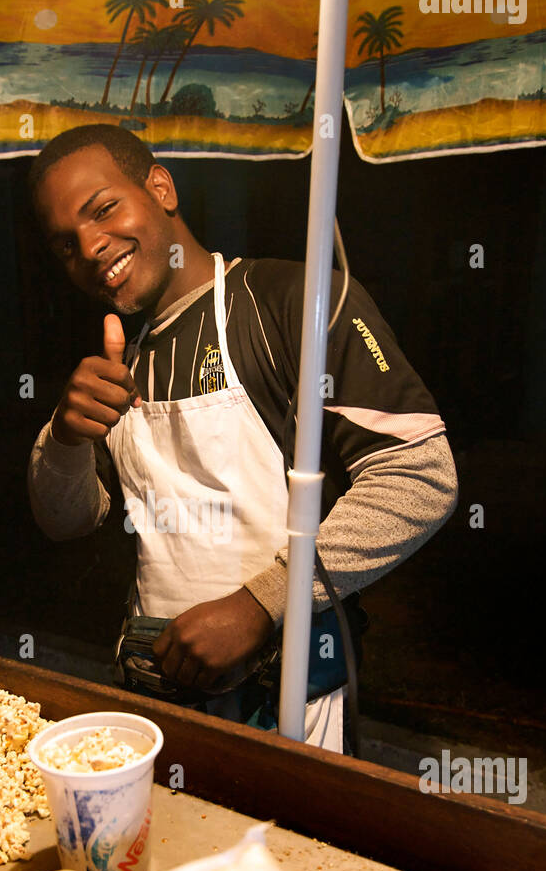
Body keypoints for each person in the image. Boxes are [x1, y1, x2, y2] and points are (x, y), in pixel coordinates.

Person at [26, 123, 458, 753]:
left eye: (104, 209)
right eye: (65, 244)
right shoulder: (123, 358)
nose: (90, 246)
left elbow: (420, 475)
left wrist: (262, 602)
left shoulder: (295, 302)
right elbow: (67, 521)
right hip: (162, 706)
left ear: (160, 188)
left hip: (293, 710)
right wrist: (63, 440)